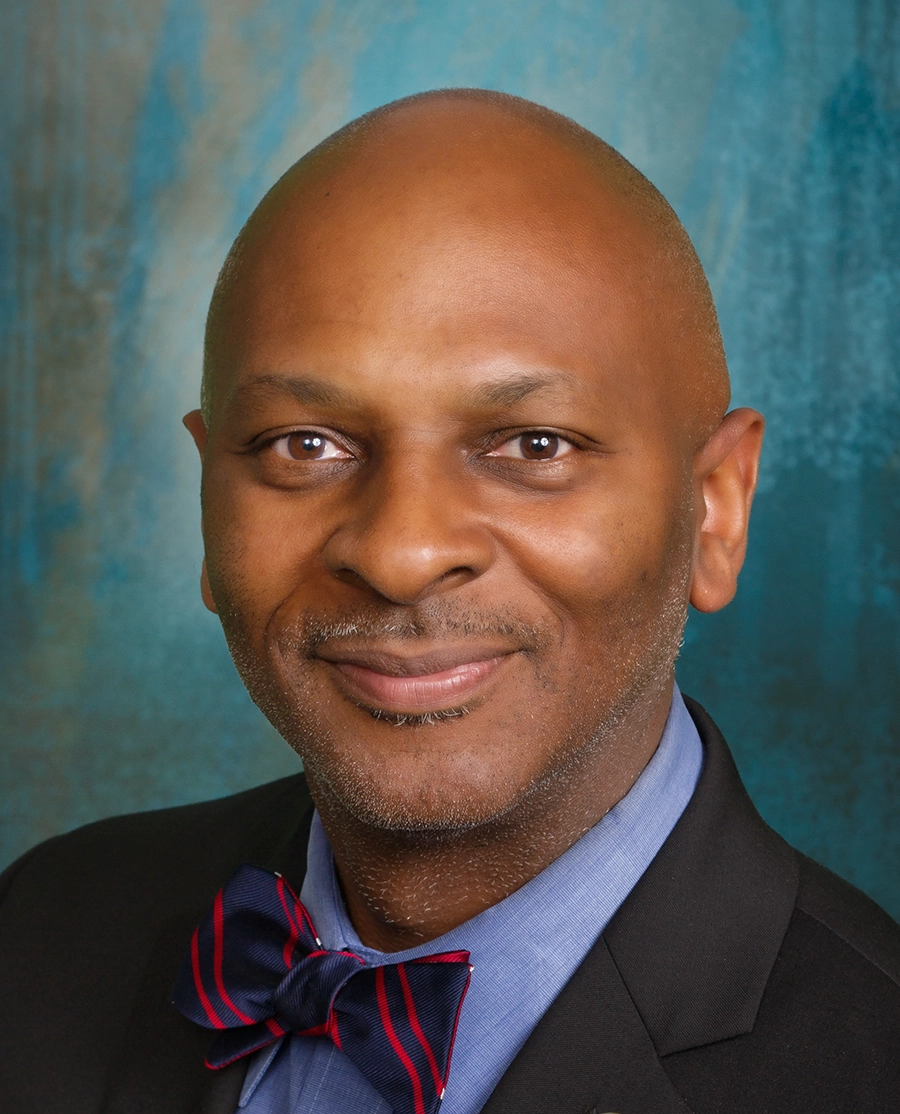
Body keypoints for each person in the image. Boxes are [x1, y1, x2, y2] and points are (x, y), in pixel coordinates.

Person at [1, 88, 898, 1114]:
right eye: (306, 445)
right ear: (210, 498)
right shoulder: (43, 930)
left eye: (533, 446)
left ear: (716, 509)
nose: (401, 551)